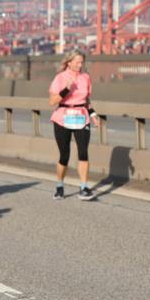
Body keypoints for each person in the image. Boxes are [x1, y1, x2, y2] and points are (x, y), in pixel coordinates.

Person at [48, 49, 100, 201]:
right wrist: (66, 89)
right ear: (69, 62)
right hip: (62, 118)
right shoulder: (60, 78)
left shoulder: (85, 77)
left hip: (81, 117)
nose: (80, 65)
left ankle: (84, 188)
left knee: (83, 152)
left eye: (82, 62)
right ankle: (59, 186)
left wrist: (93, 115)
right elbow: (52, 101)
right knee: (64, 155)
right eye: (77, 62)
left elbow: (86, 100)